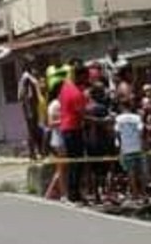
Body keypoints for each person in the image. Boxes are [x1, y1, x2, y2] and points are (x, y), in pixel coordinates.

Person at [58, 64, 89, 203]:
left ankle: (73, 193)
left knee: (73, 162)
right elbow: (83, 115)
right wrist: (102, 121)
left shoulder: (66, 86)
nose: (86, 79)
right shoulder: (76, 92)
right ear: (80, 75)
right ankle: (74, 193)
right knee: (77, 163)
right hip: (73, 129)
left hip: (66, 128)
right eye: (85, 76)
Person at [114, 85, 148, 204]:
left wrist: (120, 146)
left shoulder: (119, 119)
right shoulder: (136, 117)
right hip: (137, 147)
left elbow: (117, 133)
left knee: (131, 173)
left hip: (126, 149)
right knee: (140, 172)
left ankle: (135, 195)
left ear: (122, 106)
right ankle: (144, 194)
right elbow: (141, 131)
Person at [18, 63, 42, 160]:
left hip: (32, 106)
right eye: (34, 68)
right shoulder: (27, 78)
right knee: (32, 130)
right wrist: (29, 110)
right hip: (30, 107)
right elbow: (24, 95)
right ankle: (33, 153)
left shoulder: (28, 78)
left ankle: (35, 152)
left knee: (34, 129)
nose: (36, 70)